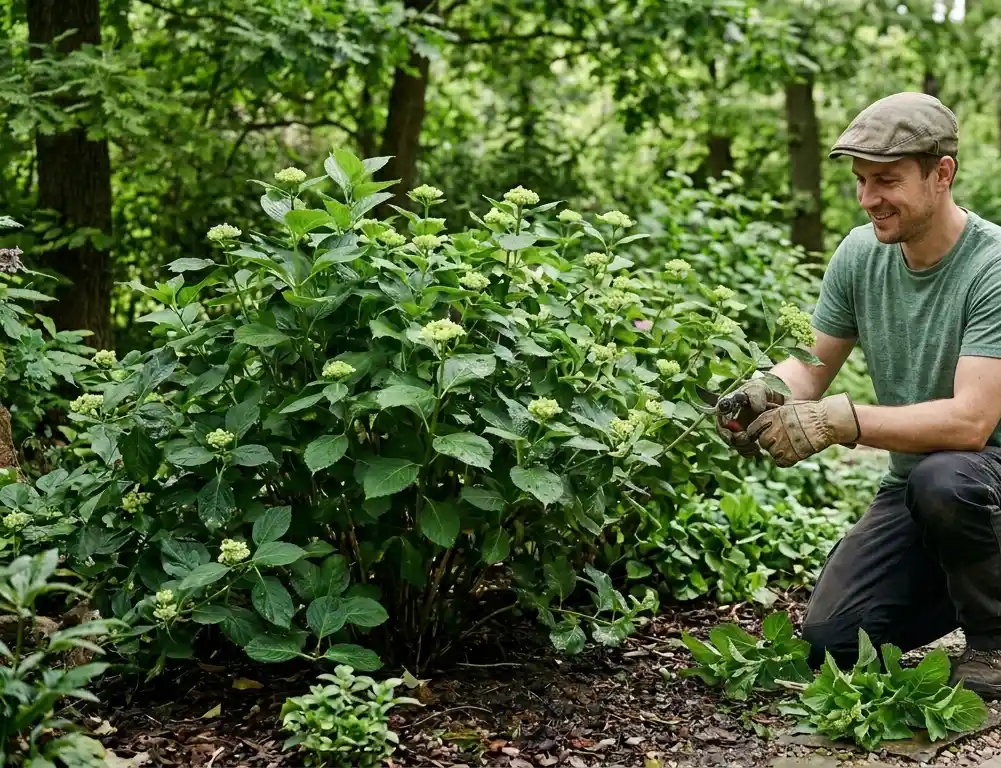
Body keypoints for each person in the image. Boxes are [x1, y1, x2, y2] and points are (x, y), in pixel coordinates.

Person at [716, 91, 1001, 699]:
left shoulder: (992, 267)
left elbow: (972, 423)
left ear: (941, 174)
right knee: (833, 640)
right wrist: (764, 391)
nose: (870, 198)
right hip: (918, 489)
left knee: (945, 481)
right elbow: (811, 365)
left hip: (982, 477)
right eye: (861, 181)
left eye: (887, 181)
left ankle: (995, 642)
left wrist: (842, 421)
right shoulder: (859, 253)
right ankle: (971, 582)